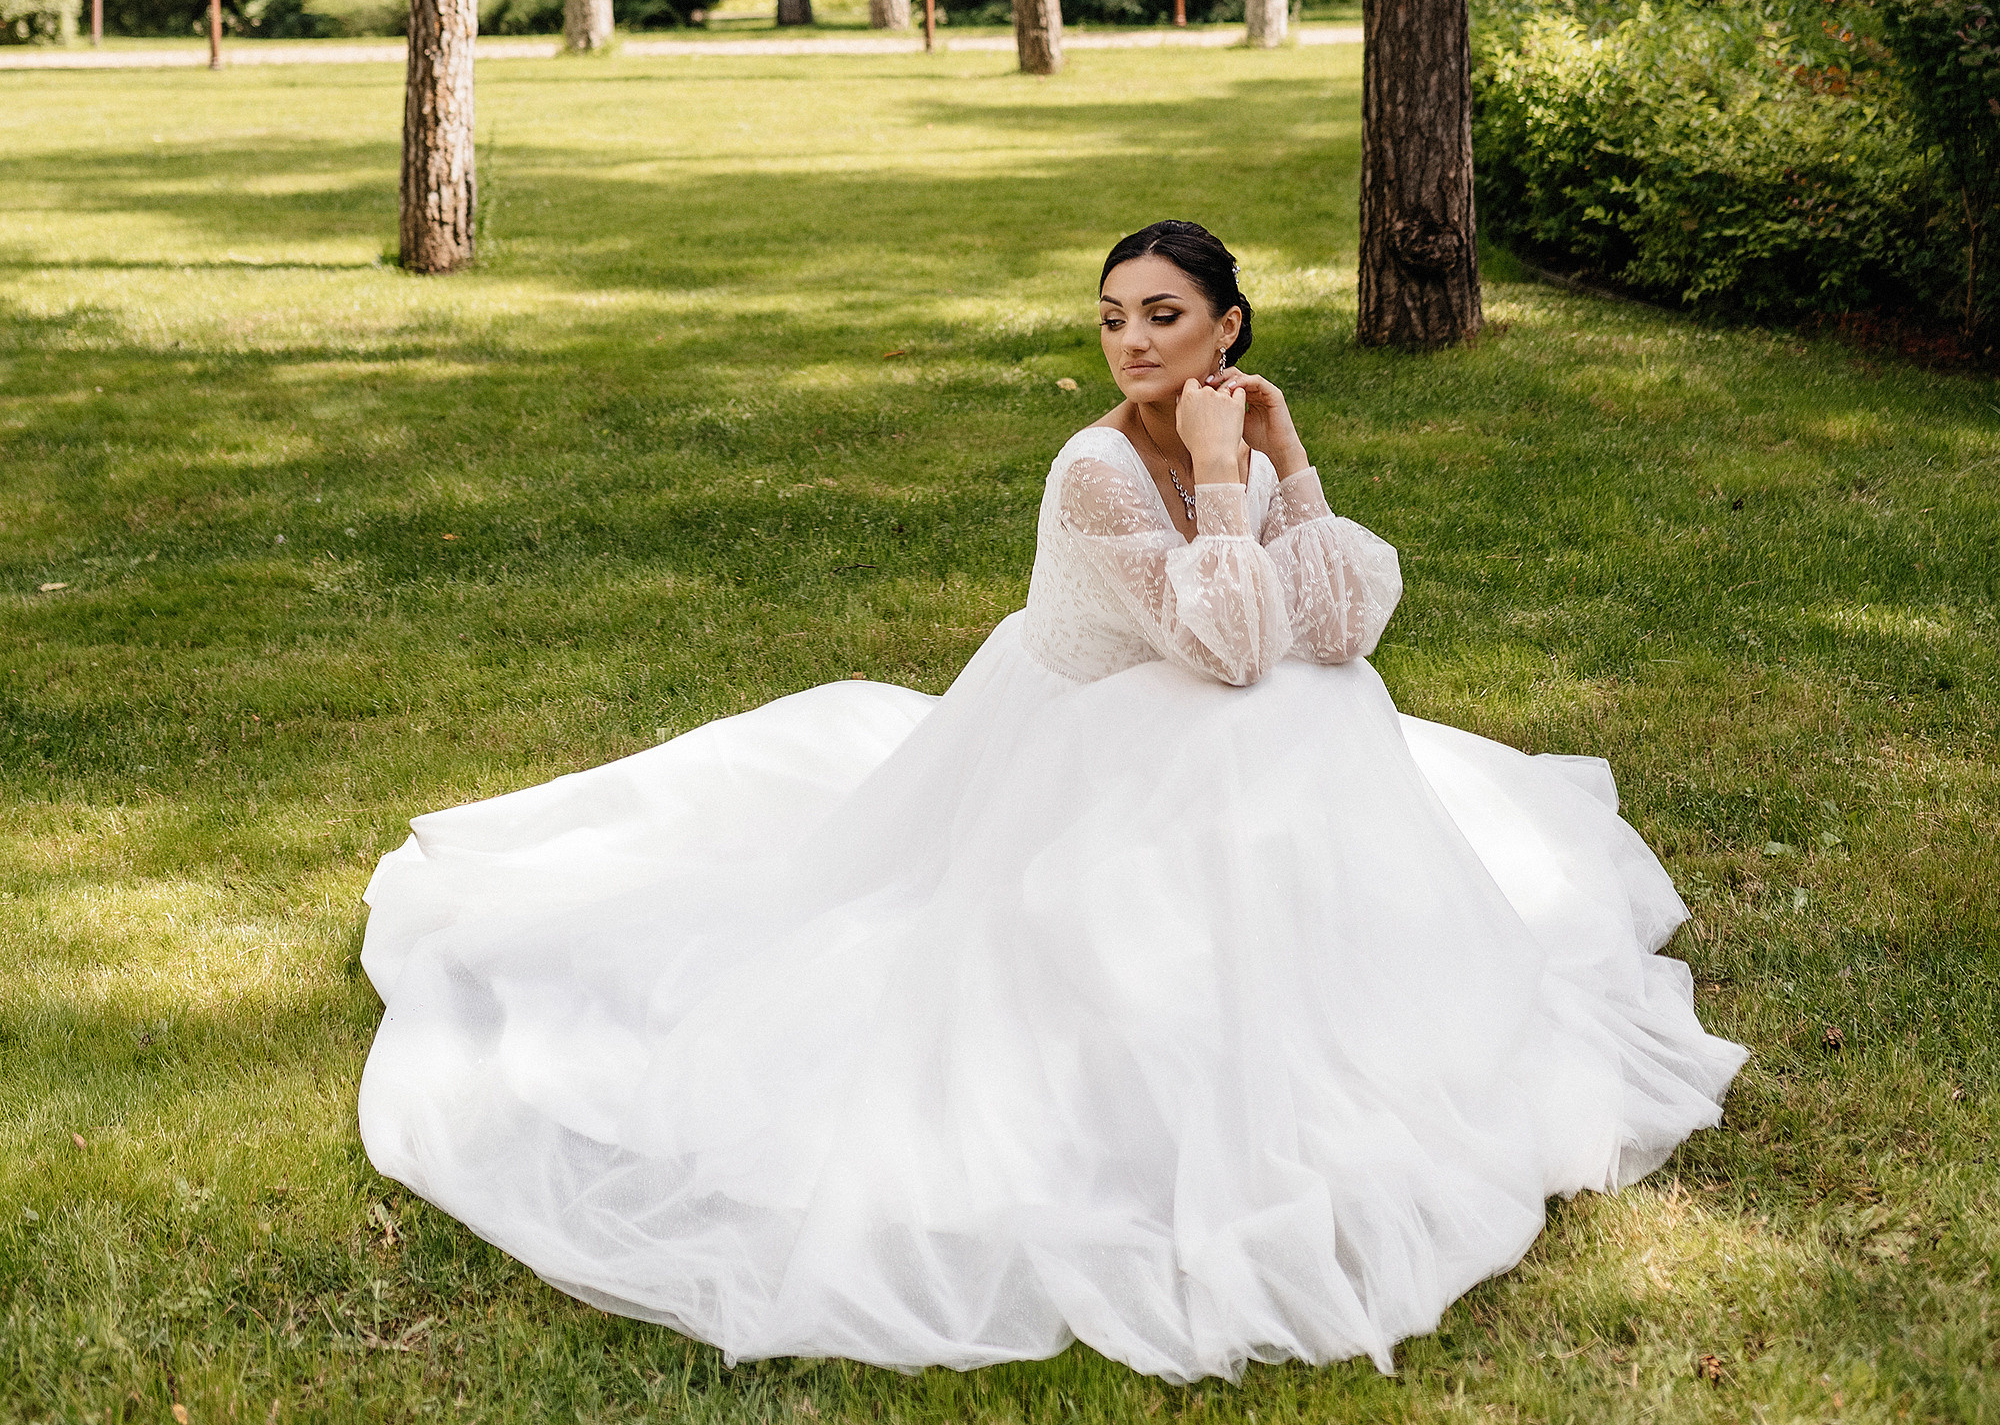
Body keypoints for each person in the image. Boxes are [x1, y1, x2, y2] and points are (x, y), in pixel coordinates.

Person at [359, 218, 1743, 1379]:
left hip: (1198, 725)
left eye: (1164, 316)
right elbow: (1228, 644)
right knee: (1264, 722)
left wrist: (1286, 455)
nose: (1133, 342)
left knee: (1328, 708)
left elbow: (1333, 623)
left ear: (1229, 330)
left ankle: (1359, 1022)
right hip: (1084, 744)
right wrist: (1222, 476)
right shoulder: (1095, 471)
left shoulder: (1240, 432)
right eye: (1112, 319)